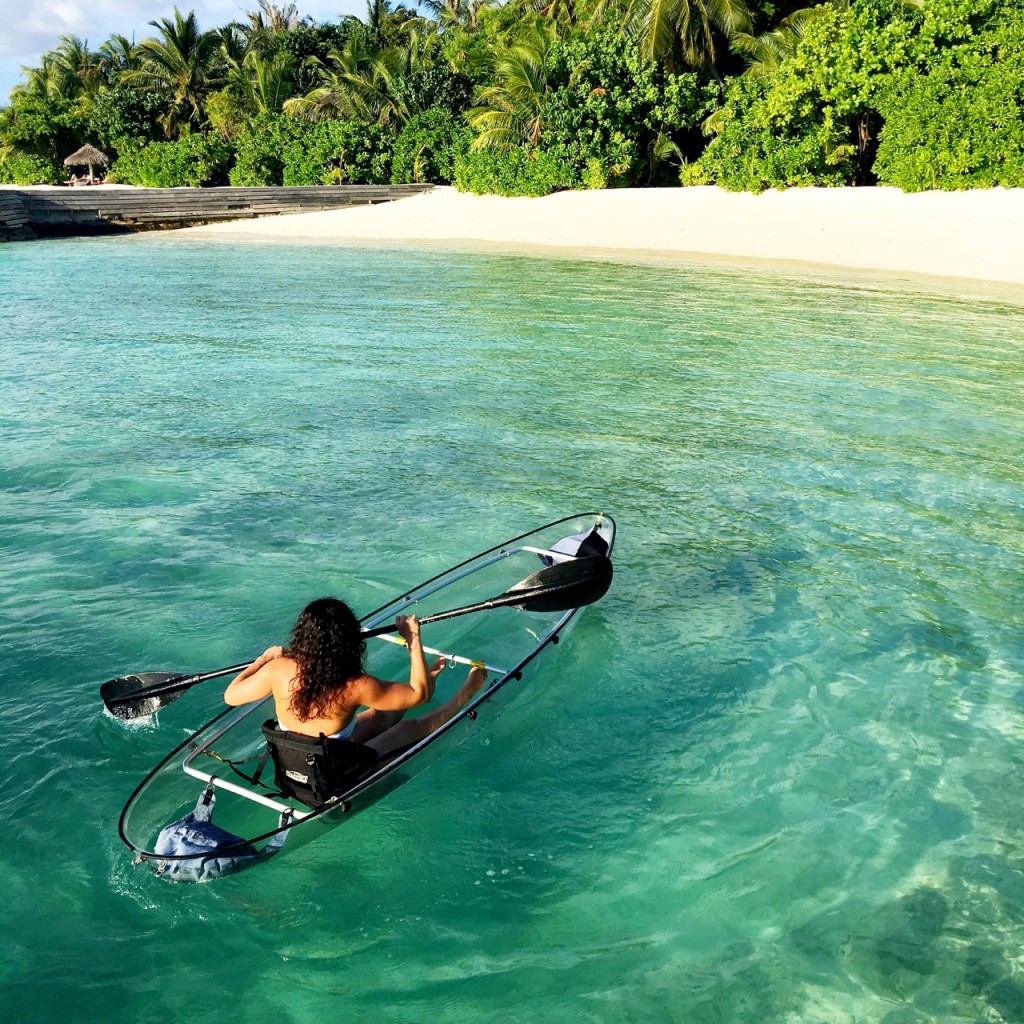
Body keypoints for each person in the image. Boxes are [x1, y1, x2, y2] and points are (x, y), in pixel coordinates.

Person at [224, 597, 486, 759]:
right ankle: (467, 694)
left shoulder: (277, 669)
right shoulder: (355, 685)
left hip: (294, 763)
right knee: (410, 727)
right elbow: (421, 697)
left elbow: (231, 695)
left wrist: (263, 660)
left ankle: (425, 676)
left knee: (380, 715)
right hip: (333, 774)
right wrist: (412, 639)